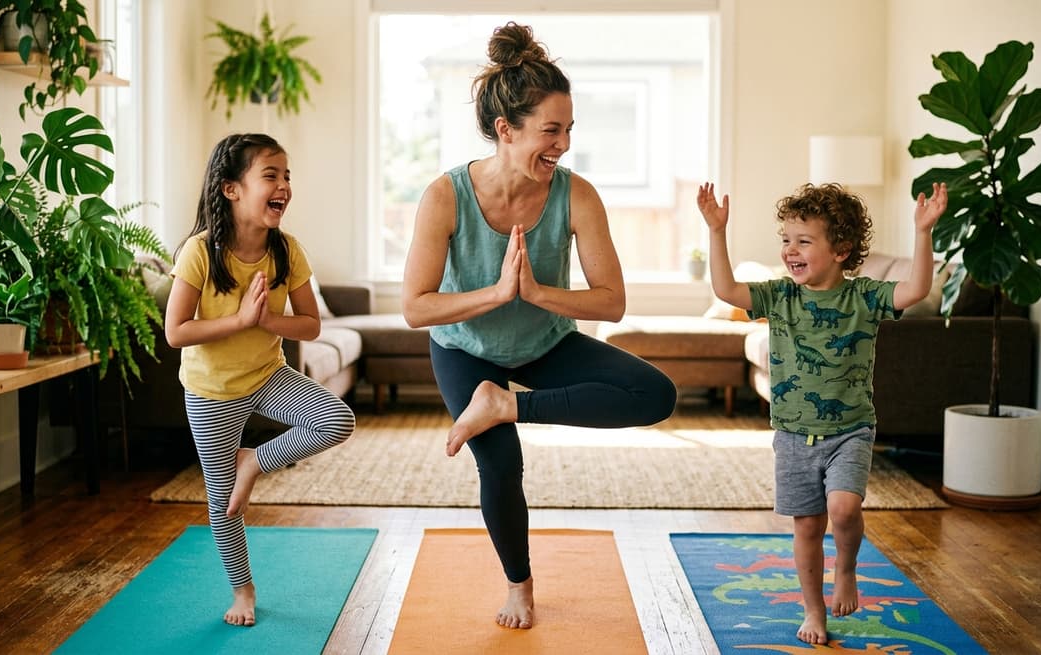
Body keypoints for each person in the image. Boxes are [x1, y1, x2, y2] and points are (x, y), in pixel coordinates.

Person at [401, 22, 678, 630]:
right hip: (466, 350)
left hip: (543, 344)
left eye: (569, 129)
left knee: (656, 394)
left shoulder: (577, 196)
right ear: (507, 130)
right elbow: (416, 308)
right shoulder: (445, 197)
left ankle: (505, 405)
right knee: (500, 465)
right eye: (551, 131)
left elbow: (611, 303)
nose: (564, 144)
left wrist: (533, 293)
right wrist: (496, 294)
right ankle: (519, 584)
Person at [696, 180, 947, 645]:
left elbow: (916, 290)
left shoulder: (864, 298)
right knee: (808, 525)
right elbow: (727, 288)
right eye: (786, 240)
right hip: (793, 433)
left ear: (841, 250)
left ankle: (847, 567)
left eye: (804, 241)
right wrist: (716, 230)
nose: (791, 250)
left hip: (851, 429)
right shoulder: (780, 296)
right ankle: (814, 610)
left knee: (844, 507)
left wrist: (923, 231)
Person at [165, 133, 356, 627]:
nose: (284, 186)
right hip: (211, 390)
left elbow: (312, 325)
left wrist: (269, 320)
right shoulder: (199, 252)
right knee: (223, 502)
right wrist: (241, 321)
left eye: (287, 176)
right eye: (270, 175)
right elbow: (175, 333)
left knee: (336, 419)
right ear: (231, 189)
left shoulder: (287, 250)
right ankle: (242, 590)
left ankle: (254, 459)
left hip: (267, 375)